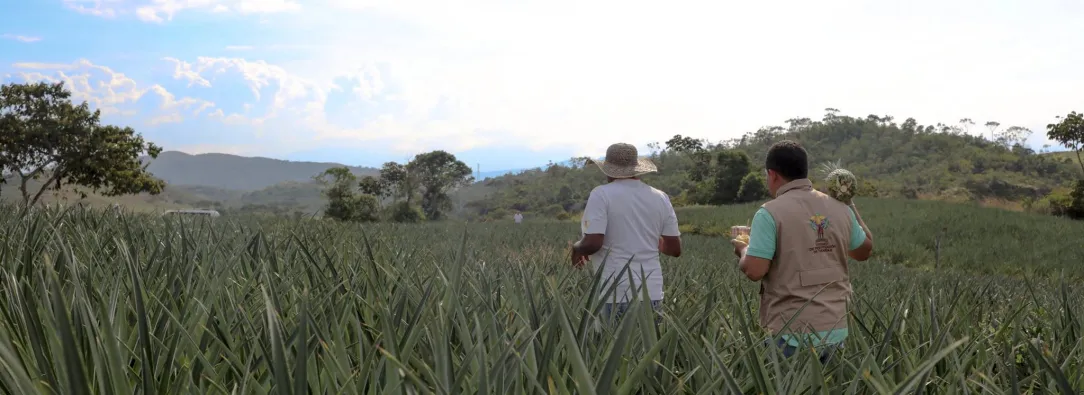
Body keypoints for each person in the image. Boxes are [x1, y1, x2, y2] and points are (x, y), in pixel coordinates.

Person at [730, 140, 874, 363]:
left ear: (772, 174)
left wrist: (743, 248)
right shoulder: (840, 208)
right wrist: (849, 204)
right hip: (835, 330)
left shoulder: (769, 213)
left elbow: (754, 270)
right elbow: (863, 251)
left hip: (790, 333)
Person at [570, 142, 683, 325]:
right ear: (636, 169)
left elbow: (593, 243)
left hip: (614, 291)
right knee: (647, 351)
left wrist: (576, 248)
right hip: (652, 292)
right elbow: (674, 249)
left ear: (608, 170)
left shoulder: (601, 194)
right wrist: (647, 238)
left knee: (611, 351)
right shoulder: (660, 197)